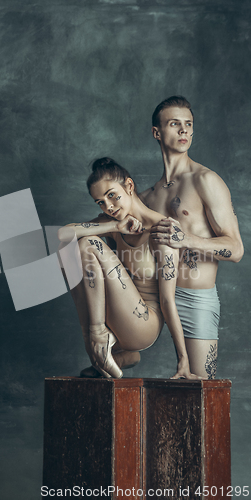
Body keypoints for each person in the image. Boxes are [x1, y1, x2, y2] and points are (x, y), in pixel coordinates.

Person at [58, 157, 201, 380]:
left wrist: (183, 361)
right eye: (100, 202)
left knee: (87, 243)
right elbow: (62, 235)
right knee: (68, 249)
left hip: (144, 323)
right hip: (118, 320)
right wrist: (115, 226)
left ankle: (97, 337)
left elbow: (167, 301)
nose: (109, 206)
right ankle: (112, 352)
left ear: (130, 186)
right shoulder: (115, 221)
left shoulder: (162, 230)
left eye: (112, 195)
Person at [140, 96, 244, 379]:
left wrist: (186, 239)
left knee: (200, 387)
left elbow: (235, 249)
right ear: (157, 132)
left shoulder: (205, 180)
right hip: (151, 295)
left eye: (189, 125)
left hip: (194, 298)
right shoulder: (147, 196)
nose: (184, 131)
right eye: (175, 124)